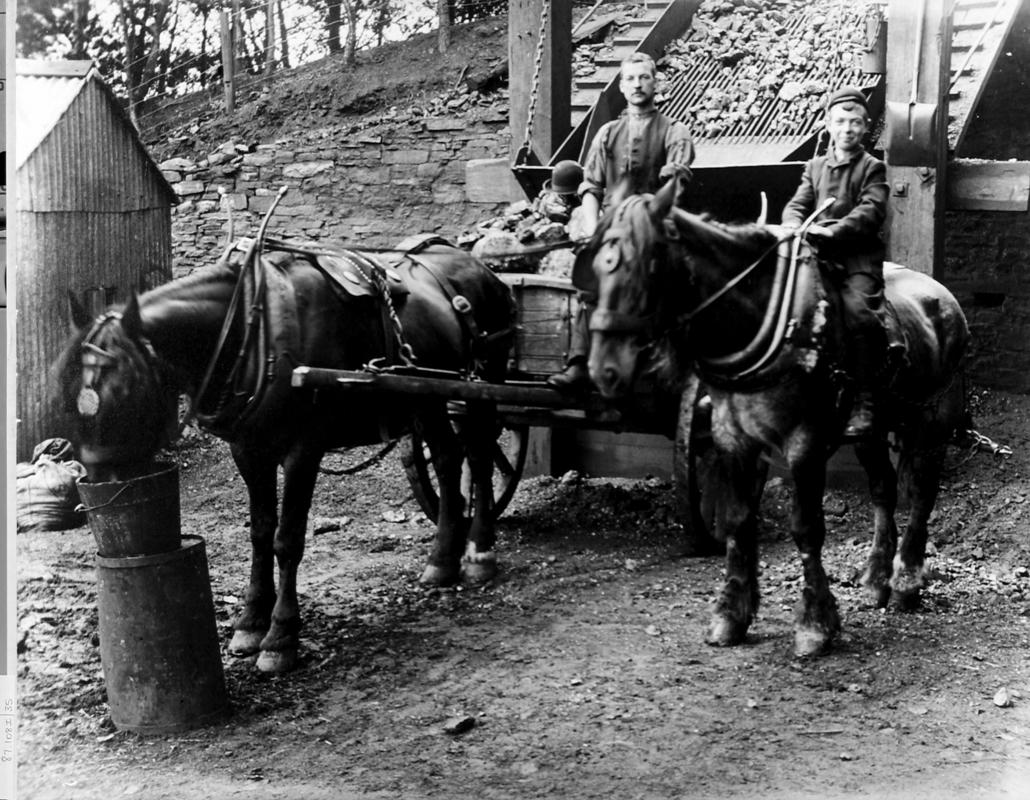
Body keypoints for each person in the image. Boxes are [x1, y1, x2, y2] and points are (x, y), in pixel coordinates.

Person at [547, 52, 696, 393]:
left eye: (644, 77)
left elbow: (674, 185)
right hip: (612, 228)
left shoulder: (675, 132)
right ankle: (580, 362)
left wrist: (645, 222)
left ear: (656, 83)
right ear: (622, 87)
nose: (637, 84)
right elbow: (591, 188)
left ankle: (672, 363)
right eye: (630, 79)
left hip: (655, 226)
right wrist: (592, 227)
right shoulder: (607, 134)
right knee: (593, 276)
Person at [781, 86, 891, 437]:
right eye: (840, 122)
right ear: (828, 125)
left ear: (865, 127)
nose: (847, 129)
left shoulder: (872, 167)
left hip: (857, 258)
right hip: (815, 256)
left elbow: (871, 210)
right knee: (783, 304)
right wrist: (792, 224)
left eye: (855, 122)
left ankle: (864, 399)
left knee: (860, 314)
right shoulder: (814, 167)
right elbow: (798, 204)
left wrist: (834, 231)